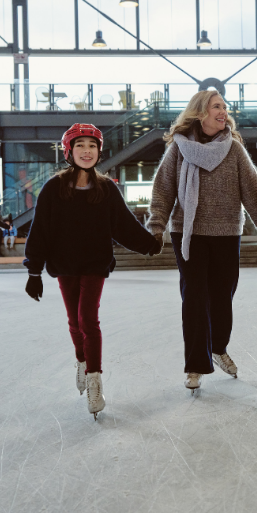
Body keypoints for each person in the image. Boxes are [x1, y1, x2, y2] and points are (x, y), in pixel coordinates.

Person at [23, 123, 162, 420]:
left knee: (88, 319)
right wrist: (33, 272)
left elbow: (123, 226)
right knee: (74, 321)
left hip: (95, 265)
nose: (87, 151)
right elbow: (40, 232)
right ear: (69, 151)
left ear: (99, 151)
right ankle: (82, 361)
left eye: (92, 145)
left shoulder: (106, 189)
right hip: (65, 265)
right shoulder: (53, 189)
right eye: (80, 145)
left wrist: (149, 244)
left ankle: (95, 380)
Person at [146, 90, 257, 394]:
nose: (223, 111)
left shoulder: (234, 150)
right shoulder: (179, 149)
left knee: (223, 296)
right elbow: (163, 190)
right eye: (216, 107)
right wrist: (156, 227)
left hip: (226, 233)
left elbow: (253, 193)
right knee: (195, 298)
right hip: (189, 233)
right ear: (200, 114)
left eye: (224, 106)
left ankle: (218, 346)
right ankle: (195, 364)